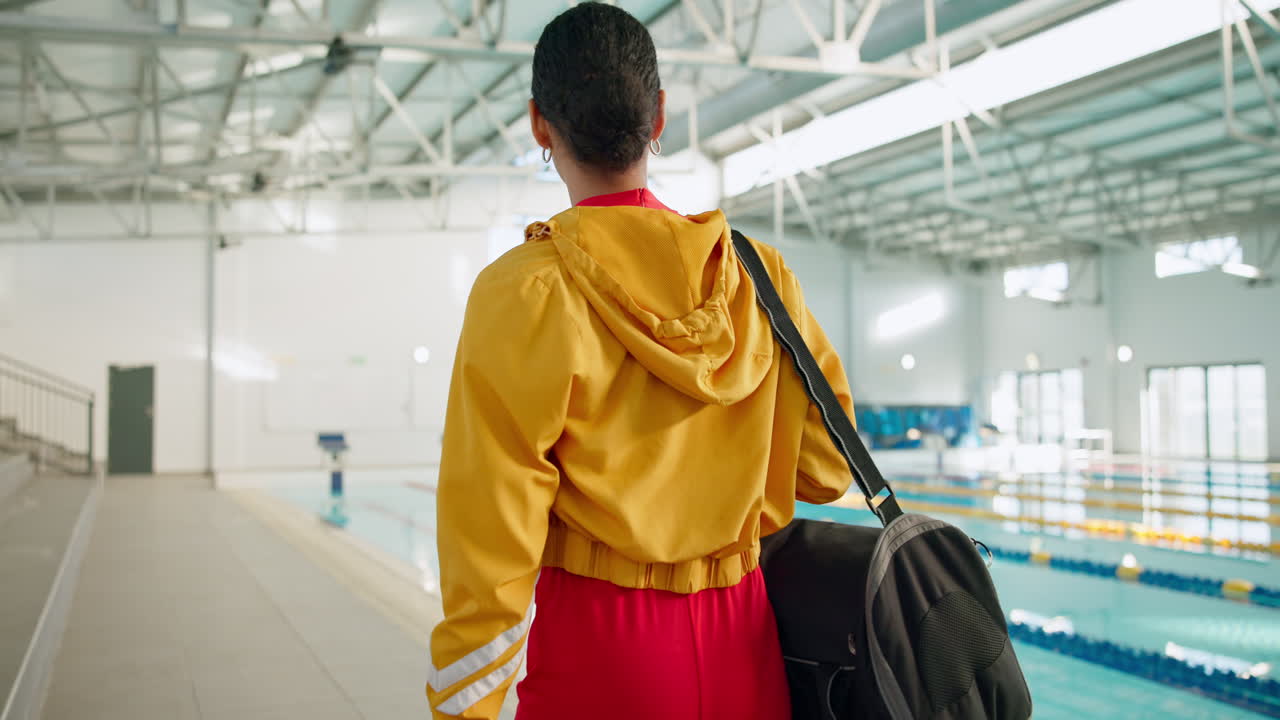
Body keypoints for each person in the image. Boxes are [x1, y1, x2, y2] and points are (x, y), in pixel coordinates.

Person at [426, 4, 854, 719]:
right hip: (746, 647)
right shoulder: (758, 276)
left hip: (601, 653)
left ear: (540, 126)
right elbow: (827, 468)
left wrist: (462, 706)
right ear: (658, 116)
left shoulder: (527, 291)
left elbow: (490, 534)